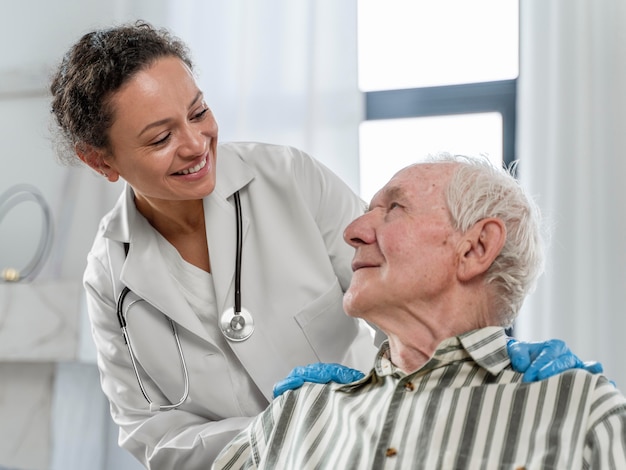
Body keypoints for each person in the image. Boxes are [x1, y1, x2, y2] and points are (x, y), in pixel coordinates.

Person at [48, 21, 601, 468]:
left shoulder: (289, 178)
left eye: (198, 112)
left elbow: (407, 289)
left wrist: (490, 364)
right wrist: (302, 428)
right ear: (101, 162)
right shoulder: (109, 275)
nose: (196, 144)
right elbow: (154, 435)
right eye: (161, 137)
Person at [213, 154, 626, 469]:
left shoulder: (578, 413)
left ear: (476, 248)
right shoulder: (294, 417)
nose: (353, 231)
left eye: (394, 208)